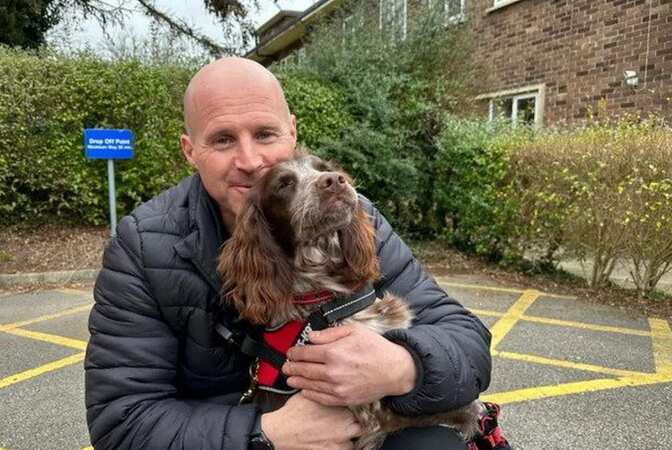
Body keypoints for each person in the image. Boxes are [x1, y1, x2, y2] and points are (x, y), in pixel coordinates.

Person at [84, 57, 492, 450]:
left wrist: (405, 367)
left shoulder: (349, 213)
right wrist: (266, 433)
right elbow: (123, 422)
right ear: (190, 150)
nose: (250, 161)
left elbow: (466, 341)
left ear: (291, 132)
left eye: (265, 134)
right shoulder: (143, 246)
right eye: (223, 139)